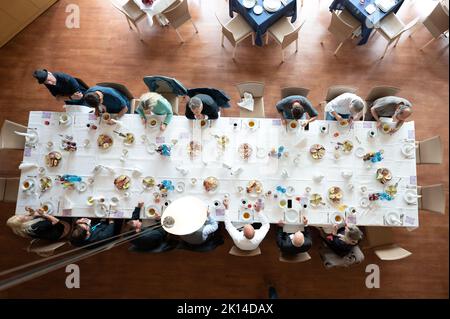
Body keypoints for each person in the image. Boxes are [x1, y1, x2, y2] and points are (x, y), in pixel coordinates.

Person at [6, 207, 71, 241]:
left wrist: (31, 210)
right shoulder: (36, 227)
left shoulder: (23, 228)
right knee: (63, 211)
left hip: (50, 229)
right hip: (61, 230)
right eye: (24, 217)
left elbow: (32, 216)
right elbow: (56, 221)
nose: (25, 215)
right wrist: (44, 214)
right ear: (23, 223)